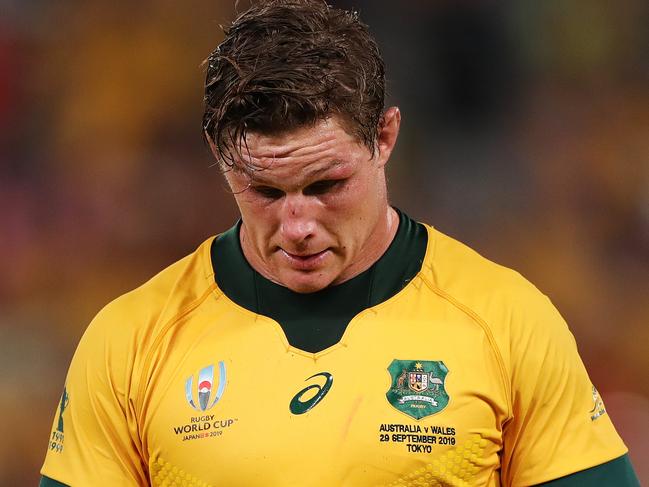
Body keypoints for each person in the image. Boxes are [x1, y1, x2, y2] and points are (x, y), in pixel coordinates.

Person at [40, 1, 640, 486]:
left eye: (327, 184)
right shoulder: (128, 342)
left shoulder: (507, 322)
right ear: (220, 159)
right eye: (265, 192)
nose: (298, 225)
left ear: (384, 137)